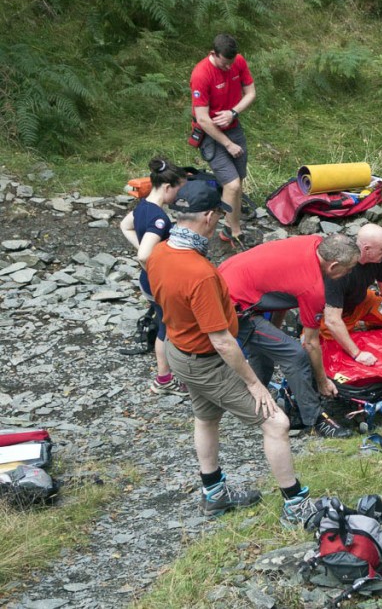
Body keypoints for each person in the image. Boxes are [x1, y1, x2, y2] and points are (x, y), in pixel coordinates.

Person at [147, 181, 319, 525]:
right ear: (209, 216)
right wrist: (255, 384)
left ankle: (215, 494)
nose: (218, 223)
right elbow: (223, 341)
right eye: (218, 217)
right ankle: (296, 504)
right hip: (206, 361)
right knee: (276, 422)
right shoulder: (200, 274)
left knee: (206, 417)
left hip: (180, 351)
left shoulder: (160, 252)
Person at [218, 234, 360, 438]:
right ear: (333, 265)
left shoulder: (314, 242)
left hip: (229, 278)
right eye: (349, 268)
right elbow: (310, 343)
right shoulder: (313, 287)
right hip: (232, 306)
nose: (350, 272)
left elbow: (282, 289)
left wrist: (271, 329)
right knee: (294, 355)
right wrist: (321, 381)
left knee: (266, 347)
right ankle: (314, 419)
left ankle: (253, 402)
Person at [119, 158, 185, 395]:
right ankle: (164, 378)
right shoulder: (159, 219)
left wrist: (146, 253)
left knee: (163, 322)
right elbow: (144, 255)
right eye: (178, 190)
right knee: (166, 328)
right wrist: (159, 271)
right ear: (167, 187)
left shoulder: (142, 207)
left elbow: (124, 226)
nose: (179, 195)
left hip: (147, 282)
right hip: (156, 283)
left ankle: (166, 376)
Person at [190, 33, 256, 246]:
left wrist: (233, 113)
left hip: (233, 127)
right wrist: (227, 144)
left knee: (238, 181)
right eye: (224, 64)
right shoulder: (201, 74)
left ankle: (231, 229)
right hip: (211, 135)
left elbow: (251, 93)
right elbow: (202, 119)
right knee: (232, 184)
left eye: (231, 63)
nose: (229, 68)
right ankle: (211, 232)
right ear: (213, 54)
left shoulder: (237, 61)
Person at [322, 224, 382, 366]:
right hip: (335, 312)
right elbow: (332, 319)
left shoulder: (379, 257)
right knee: (329, 346)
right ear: (366, 249)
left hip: (361, 301)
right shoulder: (340, 270)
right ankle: (350, 328)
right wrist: (357, 354)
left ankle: (358, 325)